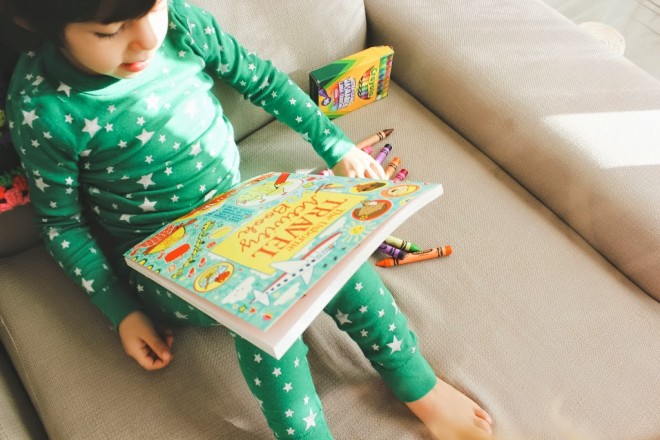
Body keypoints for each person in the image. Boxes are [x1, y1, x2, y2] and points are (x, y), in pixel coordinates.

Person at [2, 0, 493, 438]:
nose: (148, 39)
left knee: (339, 256)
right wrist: (122, 311)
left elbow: (263, 81)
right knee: (265, 314)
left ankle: (415, 380)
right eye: (109, 32)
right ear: (42, 25)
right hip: (162, 255)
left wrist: (334, 145)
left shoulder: (181, 24)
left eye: (153, 8)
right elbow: (62, 224)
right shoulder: (42, 107)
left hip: (241, 206)